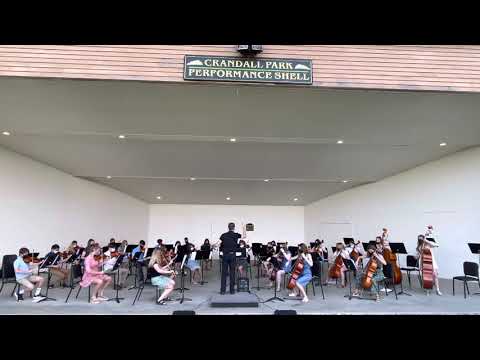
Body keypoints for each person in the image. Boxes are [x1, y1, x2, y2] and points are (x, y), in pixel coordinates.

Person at [218, 222, 246, 295]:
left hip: (225, 256)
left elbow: (218, 243)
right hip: (232, 256)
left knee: (224, 273)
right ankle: (232, 290)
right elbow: (244, 236)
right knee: (232, 273)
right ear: (234, 228)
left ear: (228, 227)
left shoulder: (223, 235)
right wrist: (243, 227)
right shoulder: (236, 235)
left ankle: (222, 291)